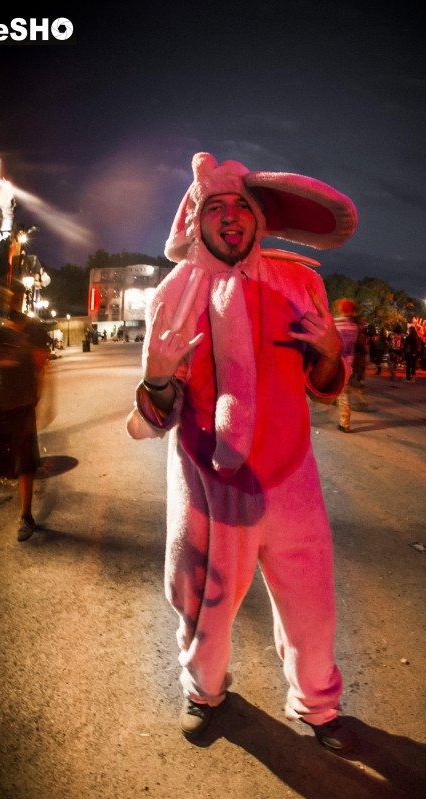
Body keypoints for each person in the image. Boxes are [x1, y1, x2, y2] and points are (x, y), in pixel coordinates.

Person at [126, 152, 358, 752]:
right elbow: (159, 411)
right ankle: (203, 693)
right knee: (201, 599)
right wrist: (156, 378)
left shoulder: (299, 280)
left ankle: (318, 704)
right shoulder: (172, 295)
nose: (229, 219)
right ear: (194, 221)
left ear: (258, 217)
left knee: (312, 603)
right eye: (214, 208)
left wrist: (332, 352)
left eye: (240, 208)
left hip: (291, 475)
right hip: (208, 480)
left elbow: (324, 381)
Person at [0, 280, 51, 540]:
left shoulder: (34, 329)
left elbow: (42, 366)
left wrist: (44, 397)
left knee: (25, 462)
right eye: (9, 298)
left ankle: (26, 515)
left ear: (23, 298)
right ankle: (24, 507)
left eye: (17, 297)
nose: (14, 302)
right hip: (1, 405)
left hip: (23, 405)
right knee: (6, 460)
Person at [332, 297, 361, 432]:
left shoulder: (336, 323)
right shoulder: (354, 327)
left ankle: (345, 424)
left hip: (335, 361)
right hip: (348, 363)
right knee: (343, 390)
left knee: (341, 392)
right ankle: (344, 421)